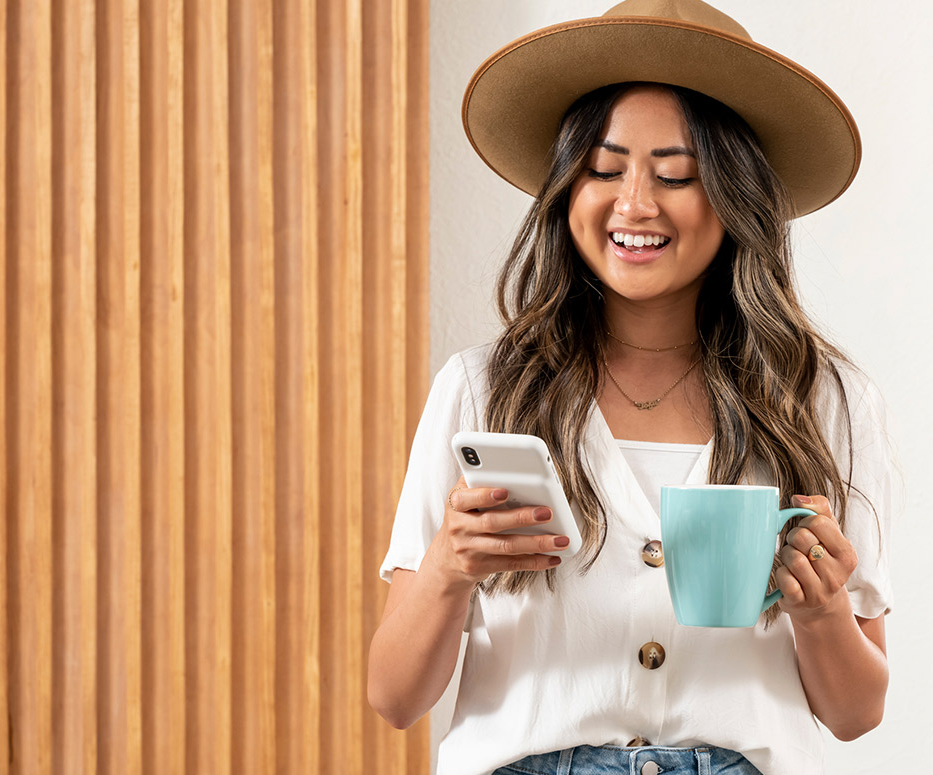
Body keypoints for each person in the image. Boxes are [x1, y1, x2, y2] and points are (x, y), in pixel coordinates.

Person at [368, 2, 894, 774]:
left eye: (676, 174)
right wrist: (450, 566)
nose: (635, 204)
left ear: (735, 196)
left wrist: (819, 611)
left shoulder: (822, 398)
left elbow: (856, 713)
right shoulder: (482, 388)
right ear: (565, 191)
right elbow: (394, 695)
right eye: (604, 170)